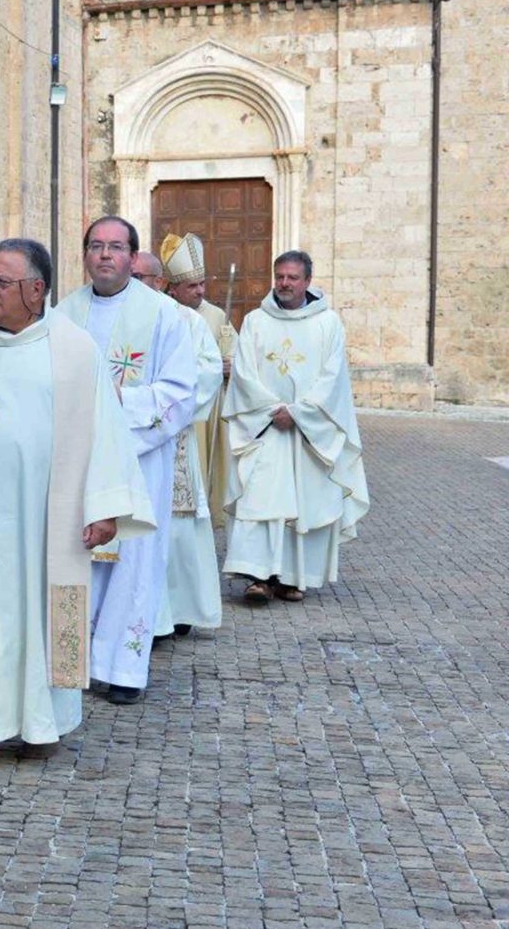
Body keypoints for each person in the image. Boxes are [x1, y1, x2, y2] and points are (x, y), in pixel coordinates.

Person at [0, 238, 153, 766]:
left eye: (2, 282)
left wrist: (104, 507)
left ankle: (39, 720)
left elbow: (107, 430)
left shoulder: (73, 350)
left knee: (39, 620)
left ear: (36, 290)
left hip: (44, 522)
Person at [56, 216, 197, 705]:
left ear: (133, 258)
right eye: (96, 246)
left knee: (133, 563)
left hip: (138, 461)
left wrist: (120, 401)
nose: (105, 255)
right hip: (76, 460)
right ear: (84, 255)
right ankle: (71, 661)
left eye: (116, 247)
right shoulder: (64, 314)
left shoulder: (163, 315)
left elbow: (181, 393)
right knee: (75, 556)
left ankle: (122, 669)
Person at [223, 251, 369, 602]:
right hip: (266, 428)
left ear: (307, 281)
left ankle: (292, 578)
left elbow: (333, 379)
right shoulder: (256, 321)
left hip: (308, 434)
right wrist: (272, 410)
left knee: (307, 503)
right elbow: (244, 373)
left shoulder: (328, 323)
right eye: (280, 277)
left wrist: (300, 414)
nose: (284, 284)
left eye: (292, 277)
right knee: (259, 500)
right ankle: (258, 577)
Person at [143, 239, 225, 638]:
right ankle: (146, 616)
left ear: (159, 281)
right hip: (127, 437)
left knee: (177, 528)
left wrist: (167, 401)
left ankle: (178, 610)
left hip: (174, 436)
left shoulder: (188, 322)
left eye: (143, 276)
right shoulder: (120, 317)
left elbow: (209, 370)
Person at [165, 244, 238, 528]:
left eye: (202, 284)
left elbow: (238, 359)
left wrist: (231, 367)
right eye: (192, 286)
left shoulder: (218, 316)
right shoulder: (164, 313)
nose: (200, 291)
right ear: (174, 289)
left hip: (208, 412)